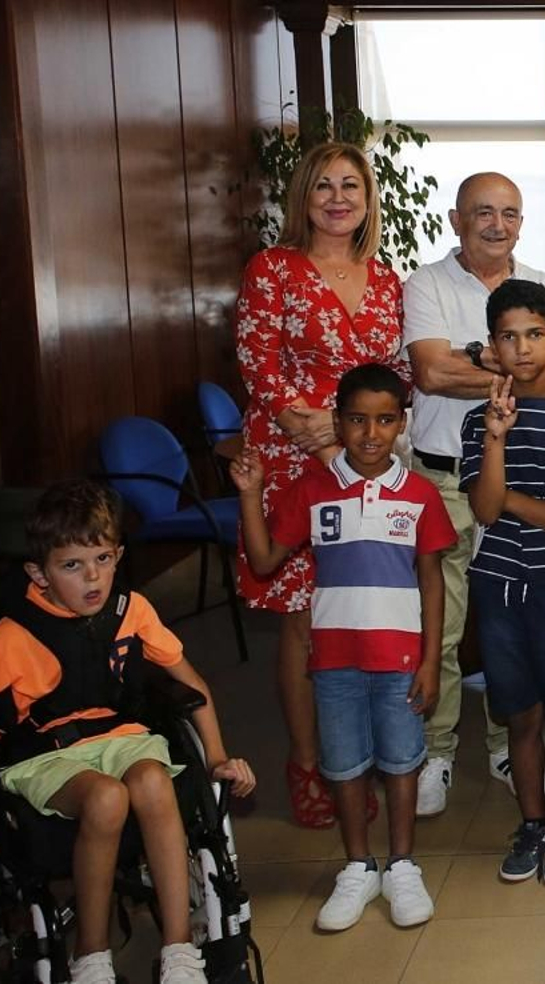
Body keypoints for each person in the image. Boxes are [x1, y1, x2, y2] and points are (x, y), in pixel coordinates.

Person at [0, 480, 256, 984]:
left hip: (123, 736)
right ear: (39, 573)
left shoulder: (130, 610)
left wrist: (218, 757)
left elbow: (194, 687)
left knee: (153, 781)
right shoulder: (7, 643)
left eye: (102, 559)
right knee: (105, 799)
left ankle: (180, 949)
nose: (93, 578)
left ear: (118, 554)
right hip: (44, 754)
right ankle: (91, 957)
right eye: (72, 566)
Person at [232, 364, 456, 931]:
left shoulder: (421, 495)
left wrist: (430, 661)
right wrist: (252, 493)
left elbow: (432, 580)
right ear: (337, 421)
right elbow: (263, 562)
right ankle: (359, 865)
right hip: (333, 662)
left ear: (402, 425)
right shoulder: (311, 489)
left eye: (385, 420)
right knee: (345, 765)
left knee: (403, 763)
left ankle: (403, 865)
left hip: (401, 661)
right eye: (357, 420)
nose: (370, 433)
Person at [234, 141, 407, 829]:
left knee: (357, 612)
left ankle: (357, 758)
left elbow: (398, 370)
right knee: (307, 620)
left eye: (352, 187)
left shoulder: (387, 278)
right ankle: (310, 764)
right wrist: (305, 426)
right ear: (303, 197)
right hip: (290, 458)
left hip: (364, 459)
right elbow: (257, 358)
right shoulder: (273, 268)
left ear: (368, 200)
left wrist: (357, 436)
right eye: (325, 187)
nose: (339, 199)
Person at [402, 172, 545, 817]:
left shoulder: (541, 287)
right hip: (443, 476)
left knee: (509, 624)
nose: (498, 224)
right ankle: (436, 750)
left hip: (517, 476)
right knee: (442, 624)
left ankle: (504, 740)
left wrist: (487, 364)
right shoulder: (428, 283)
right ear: (457, 218)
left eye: (510, 213)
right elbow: (431, 371)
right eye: (484, 212)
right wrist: (506, 368)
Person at [459, 280, 545, 886]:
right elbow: (484, 512)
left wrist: (511, 497)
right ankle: (534, 821)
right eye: (509, 337)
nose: (522, 348)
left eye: (535, 334)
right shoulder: (478, 422)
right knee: (519, 716)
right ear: (493, 345)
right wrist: (495, 436)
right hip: (498, 588)